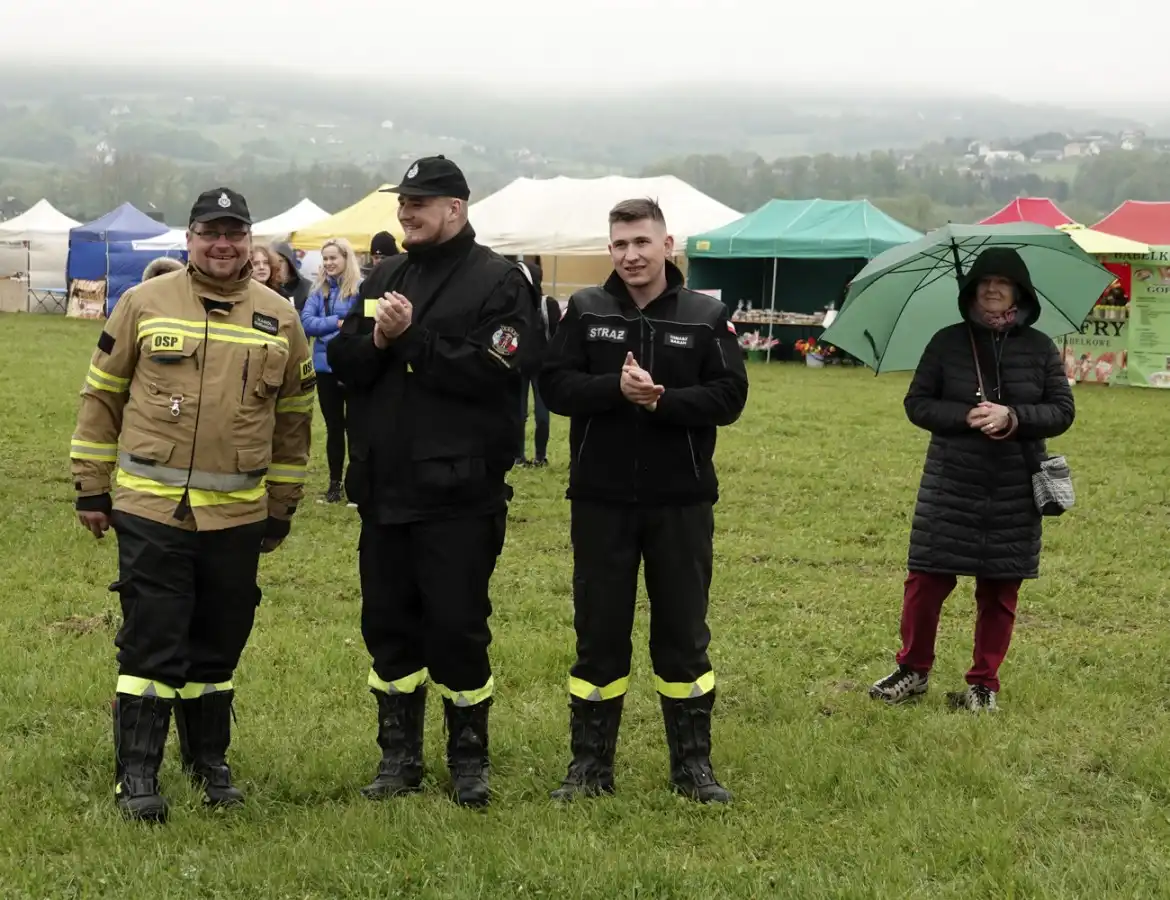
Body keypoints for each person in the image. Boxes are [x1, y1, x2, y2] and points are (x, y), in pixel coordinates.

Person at [69, 187, 315, 823]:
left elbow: (293, 419)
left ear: (250, 240)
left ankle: (209, 765)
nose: (222, 243)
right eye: (211, 231)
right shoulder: (141, 303)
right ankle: (138, 775)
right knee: (152, 641)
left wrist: (282, 504)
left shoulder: (279, 316)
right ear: (189, 237)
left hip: (237, 515)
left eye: (234, 232)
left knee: (218, 645)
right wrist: (91, 486)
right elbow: (102, 397)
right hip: (152, 509)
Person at [327, 155, 540, 808]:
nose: (406, 211)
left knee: (457, 628)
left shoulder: (501, 281)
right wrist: (382, 343)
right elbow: (345, 357)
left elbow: (497, 368)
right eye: (403, 201)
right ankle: (399, 757)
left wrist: (412, 339)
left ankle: (468, 759)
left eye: (420, 201)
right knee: (388, 626)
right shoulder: (387, 274)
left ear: (457, 207)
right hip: (385, 492)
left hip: (459, 496)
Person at [539, 198, 748, 804]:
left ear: (668, 245)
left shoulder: (706, 316)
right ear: (610, 250)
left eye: (642, 242)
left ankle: (692, 768)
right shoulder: (585, 309)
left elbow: (730, 397)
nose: (631, 255)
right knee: (598, 632)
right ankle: (589, 768)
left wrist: (663, 402)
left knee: (683, 634)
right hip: (600, 500)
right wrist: (614, 389)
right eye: (620, 244)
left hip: (680, 502)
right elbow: (554, 385)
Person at [869, 247, 1075, 713]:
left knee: (1000, 589)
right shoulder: (946, 342)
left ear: (1019, 292)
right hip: (951, 485)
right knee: (925, 582)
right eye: (983, 282)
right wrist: (966, 415)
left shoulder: (1041, 347)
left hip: (1014, 488)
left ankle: (984, 684)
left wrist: (1013, 417)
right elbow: (917, 403)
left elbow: (1063, 412)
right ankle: (913, 670)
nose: (992, 289)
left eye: (1002, 282)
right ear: (971, 290)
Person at [301, 237, 361, 503]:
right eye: (325, 258)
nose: (328, 263)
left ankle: (358, 486)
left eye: (333, 258)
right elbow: (306, 323)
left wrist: (334, 326)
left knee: (357, 429)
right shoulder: (318, 291)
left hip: (353, 367)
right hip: (325, 369)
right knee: (334, 428)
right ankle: (334, 485)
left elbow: (358, 324)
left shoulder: (359, 290)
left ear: (346, 258)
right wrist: (337, 322)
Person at [515, 257, 560, 466]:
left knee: (542, 415)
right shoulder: (515, 305)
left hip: (541, 369)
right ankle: (518, 456)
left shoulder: (547, 304)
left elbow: (557, 336)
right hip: (517, 368)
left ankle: (541, 456)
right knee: (519, 414)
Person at [270, 242, 311, 312]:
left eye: (280, 261)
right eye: (272, 262)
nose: (276, 266)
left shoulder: (308, 288)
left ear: (289, 263)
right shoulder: (268, 288)